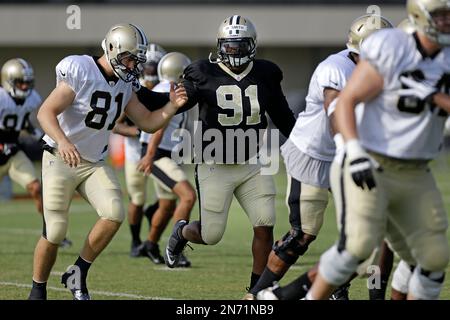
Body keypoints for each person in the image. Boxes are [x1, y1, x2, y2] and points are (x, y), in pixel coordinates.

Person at [28, 23, 187, 300]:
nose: (134, 66)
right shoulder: (82, 70)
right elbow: (45, 113)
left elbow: (148, 123)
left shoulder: (125, 84)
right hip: (60, 157)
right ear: (113, 49)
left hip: (93, 163)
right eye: (130, 58)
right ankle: (37, 289)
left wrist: (172, 106)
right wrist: (64, 142)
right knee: (54, 231)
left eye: (137, 60)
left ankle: (77, 274)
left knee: (114, 213)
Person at [306, 0, 450, 300]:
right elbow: (346, 102)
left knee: (434, 257)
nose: (447, 22)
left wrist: (433, 95)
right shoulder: (393, 48)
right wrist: (354, 150)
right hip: (371, 161)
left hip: (416, 170)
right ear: (419, 17)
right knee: (357, 248)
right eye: (440, 15)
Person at [251, 14, 393, 300]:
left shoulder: (388, 71)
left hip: (353, 155)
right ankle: (257, 296)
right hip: (314, 155)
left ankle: (358, 292)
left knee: (376, 235)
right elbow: (335, 111)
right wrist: (352, 149)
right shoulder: (335, 68)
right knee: (302, 235)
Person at [160, 15, 296, 295]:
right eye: (228, 45)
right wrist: (144, 99)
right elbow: (180, 104)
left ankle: (256, 289)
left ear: (252, 45)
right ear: (220, 45)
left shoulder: (266, 73)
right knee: (211, 235)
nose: (233, 51)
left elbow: (283, 117)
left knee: (264, 224)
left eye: (239, 45)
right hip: (214, 163)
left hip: (253, 163)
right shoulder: (201, 71)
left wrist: (305, 142)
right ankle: (181, 232)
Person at [138, 52, 196, 267]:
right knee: (188, 196)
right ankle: (176, 250)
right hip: (158, 154)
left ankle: (150, 244)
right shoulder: (168, 91)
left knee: (167, 205)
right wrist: (150, 156)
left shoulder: (165, 88)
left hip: (164, 153)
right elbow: (160, 126)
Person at [112, 43, 167, 257]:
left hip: (162, 152)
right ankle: (135, 241)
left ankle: (152, 231)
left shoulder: (166, 88)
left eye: (155, 66)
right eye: (148, 66)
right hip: (136, 153)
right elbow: (115, 124)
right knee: (137, 198)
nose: (151, 71)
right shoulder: (133, 87)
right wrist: (138, 131)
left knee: (168, 197)